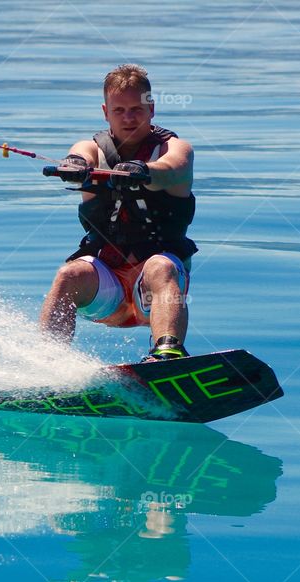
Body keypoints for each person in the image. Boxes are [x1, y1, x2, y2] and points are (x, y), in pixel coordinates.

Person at [39, 64, 197, 361]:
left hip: (152, 294)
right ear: (105, 111)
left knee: (160, 267)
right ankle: (46, 363)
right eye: (119, 110)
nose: (128, 117)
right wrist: (74, 165)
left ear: (152, 108)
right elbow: (80, 153)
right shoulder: (92, 149)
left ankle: (167, 354)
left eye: (137, 109)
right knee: (68, 274)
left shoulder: (174, 149)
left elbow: (172, 168)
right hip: (106, 289)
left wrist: (144, 171)